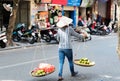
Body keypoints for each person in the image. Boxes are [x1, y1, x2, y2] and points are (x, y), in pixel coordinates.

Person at [56, 16, 87, 81]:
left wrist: (61, 42)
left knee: (61, 62)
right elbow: (76, 35)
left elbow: (57, 39)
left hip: (60, 48)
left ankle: (59, 75)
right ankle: (72, 73)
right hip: (68, 48)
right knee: (70, 61)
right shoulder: (69, 29)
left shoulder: (59, 30)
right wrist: (82, 36)